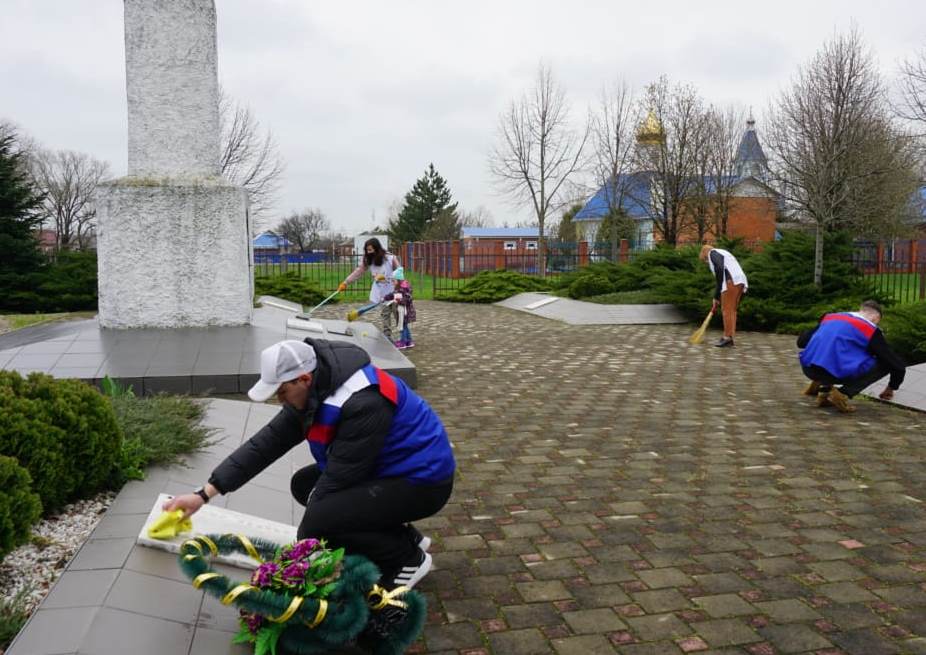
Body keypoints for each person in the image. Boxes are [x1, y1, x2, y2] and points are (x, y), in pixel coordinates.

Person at [163, 338, 455, 590]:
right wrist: (203, 494)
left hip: (424, 482)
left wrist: (301, 555)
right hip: (386, 469)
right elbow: (264, 445)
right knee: (304, 485)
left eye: (281, 392)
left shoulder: (364, 401)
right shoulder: (315, 389)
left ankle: (407, 559)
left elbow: (340, 479)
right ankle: (403, 538)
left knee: (323, 521)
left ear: (303, 379)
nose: (280, 401)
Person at [797, 300, 905, 413]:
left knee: (829, 353)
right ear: (876, 318)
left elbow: (801, 342)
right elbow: (897, 365)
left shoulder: (830, 317)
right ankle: (843, 394)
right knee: (884, 364)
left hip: (808, 369)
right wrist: (891, 387)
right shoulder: (870, 330)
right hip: (834, 374)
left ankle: (823, 393)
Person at [699, 245, 748, 348]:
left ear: (704, 254)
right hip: (740, 281)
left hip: (731, 281)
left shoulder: (712, 253)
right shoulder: (723, 252)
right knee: (732, 310)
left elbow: (719, 268)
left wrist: (716, 295)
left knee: (727, 310)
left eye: (706, 261)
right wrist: (718, 296)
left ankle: (727, 338)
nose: (707, 263)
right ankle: (729, 337)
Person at [339, 238, 401, 305]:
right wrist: (346, 282)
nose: (368, 252)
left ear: (377, 249)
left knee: (393, 309)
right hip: (378, 291)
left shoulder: (390, 258)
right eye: (367, 250)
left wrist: (399, 285)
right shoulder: (369, 259)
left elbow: (399, 272)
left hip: (392, 289)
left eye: (370, 250)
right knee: (380, 309)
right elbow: (358, 272)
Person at [383, 267, 416, 349]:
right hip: (402, 310)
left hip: (405, 311)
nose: (392, 282)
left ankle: (403, 342)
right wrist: (385, 298)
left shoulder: (404, 289)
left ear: (399, 280)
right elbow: (393, 295)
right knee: (404, 325)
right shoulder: (399, 288)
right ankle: (409, 341)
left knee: (402, 326)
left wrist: (399, 300)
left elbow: (407, 299)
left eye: (393, 281)